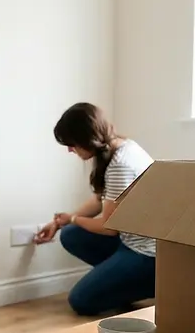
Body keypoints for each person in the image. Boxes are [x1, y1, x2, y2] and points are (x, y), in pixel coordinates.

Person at [34, 103, 155, 316]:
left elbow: (109, 228)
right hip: (130, 241)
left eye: (71, 144)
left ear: (86, 139)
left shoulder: (121, 164)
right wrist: (60, 222)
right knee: (71, 234)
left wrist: (72, 218)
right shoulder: (119, 147)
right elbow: (98, 202)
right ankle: (119, 284)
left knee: (81, 300)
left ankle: (149, 285)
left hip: (147, 255)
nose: (69, 150)